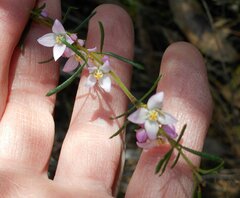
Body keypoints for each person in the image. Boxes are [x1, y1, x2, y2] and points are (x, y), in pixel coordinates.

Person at [0, 1, 213, 197]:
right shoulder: (63, 43)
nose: (154, 115)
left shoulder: (105, 76)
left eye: (153, 115)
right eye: (153, 115)